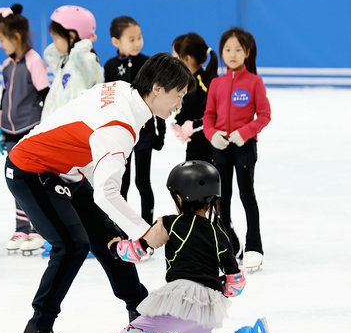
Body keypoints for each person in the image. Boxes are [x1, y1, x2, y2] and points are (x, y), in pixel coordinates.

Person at [5, 52, 193, 333]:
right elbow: (107, 193)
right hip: (31, 168)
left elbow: (88, 140)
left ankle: (141, 317)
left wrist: (123, 231)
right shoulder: (120, 126)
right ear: (158, 89)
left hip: (69, 171)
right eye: (178, 96)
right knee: (72, 245)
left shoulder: (121, 90)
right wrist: (146, 233)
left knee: (109, 239)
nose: (179, 105)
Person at [114, 160, 276, 333]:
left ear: (179, 198)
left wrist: (116, 248)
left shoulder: (170, 223)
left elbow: (139, 249)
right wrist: (223, 286)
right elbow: (236, 283)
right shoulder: (220, 233)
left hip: (179, 299)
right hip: (209, 309)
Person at [203, 27, 271, 272]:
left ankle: (254, 246)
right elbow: (208, 116)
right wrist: (213, 135)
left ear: (248, 52)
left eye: (238, 49)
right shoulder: (216, 84)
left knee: (246, 196)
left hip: (244, 147)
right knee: (222, 199)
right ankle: (227, 245)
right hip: (221, 147)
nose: (232, 54)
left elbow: (264, 115)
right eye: (227, 49)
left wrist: (245, 132)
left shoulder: (254, 82)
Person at [0, 4, 49, 254]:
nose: (1, 45)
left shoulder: (35, 61)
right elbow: (4, 97)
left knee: (33, 182)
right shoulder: (6, 65)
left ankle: (38, 229)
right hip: (12, 132)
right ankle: (21, 228)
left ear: (16, 37)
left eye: (2, 40)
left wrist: (45, 130)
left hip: (31, 130)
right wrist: (0, 129)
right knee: (16, 181)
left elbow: (46, 96)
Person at [104, 15, 164, 224]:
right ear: (116, 42)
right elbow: (108, 101)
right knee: (122, 182)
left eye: (139, 37)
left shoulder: (148, 63)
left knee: (142, 181)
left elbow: (159, 99)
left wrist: (160, 132)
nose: (137, 42)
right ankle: (123, 226)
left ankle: (147, 227)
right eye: (132, 39)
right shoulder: (110, 66)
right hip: (121, 134)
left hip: (145, 133)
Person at [41, 5, 102, 120]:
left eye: (56, 38)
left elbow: (80, 56)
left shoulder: (85, 62)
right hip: (54, 128)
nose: (54, 44)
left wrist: (85, 42)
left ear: (72, 36)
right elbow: (49, 54)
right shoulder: (65, 60)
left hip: (73, 130)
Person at [171, 32, 219, 162]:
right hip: (194, 146)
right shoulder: (185, 82)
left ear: (187, 58)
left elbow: (217, 116)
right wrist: (179, 123)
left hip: (210, 147)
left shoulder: (205, 84)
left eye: (175, 55)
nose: (172, 58)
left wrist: (193, 125)